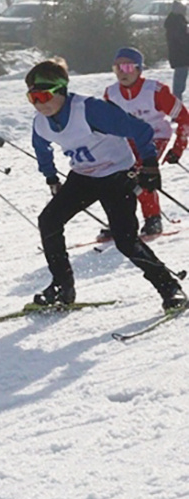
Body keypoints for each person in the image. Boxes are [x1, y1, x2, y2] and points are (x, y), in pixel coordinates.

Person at [27, 58, 186, 312]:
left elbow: (141, 130)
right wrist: (51, 178)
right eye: (32, 98)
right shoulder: (41, 121)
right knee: (49, 220)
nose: (39, 104)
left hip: (116, 175)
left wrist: (149, 165)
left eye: (44, 96)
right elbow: (40, 147)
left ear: (61, 91)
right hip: (83, 177)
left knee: (125, 240)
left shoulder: (90, 110)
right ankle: (62, 287)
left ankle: (170, 288)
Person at [101, 46, 189, 237]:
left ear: (139, 69)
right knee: (114, 175)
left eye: (126, 67)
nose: (121, 73)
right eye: (117, 68)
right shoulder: (111, 94)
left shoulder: (155, 90)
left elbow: (184, 118)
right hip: (128, 140)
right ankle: (120, 220)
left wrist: (178, 148)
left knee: (141, 171)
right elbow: (106, 123)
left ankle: (153, 218)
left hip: (155, 136)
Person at [164, 2, 189, 101]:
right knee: (178, 86)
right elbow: (182, 40)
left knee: (179, 85)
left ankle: (177, 108)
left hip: (180, 57)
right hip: (181, 57)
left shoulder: (174, 22)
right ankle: (177, 109)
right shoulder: (176, 23)